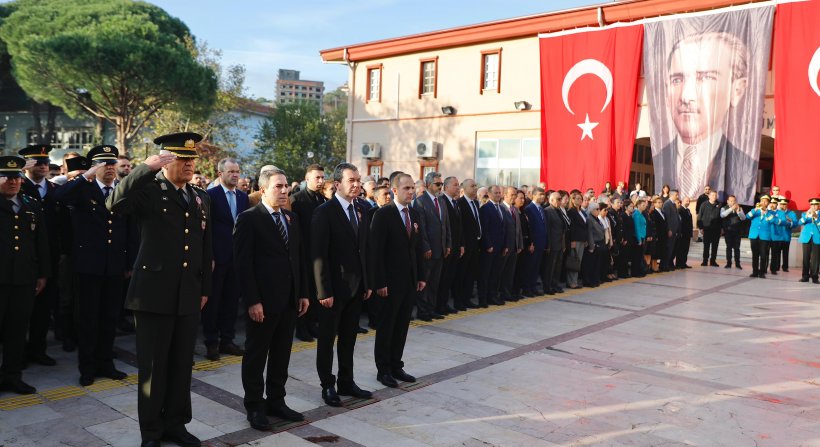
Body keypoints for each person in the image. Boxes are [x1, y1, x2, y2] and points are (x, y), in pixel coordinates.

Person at [108, 132, 213, 447]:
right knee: (153, 368)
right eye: (182, 158)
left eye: (192, 159)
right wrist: (144, 168)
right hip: (153, 294)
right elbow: (114, 202)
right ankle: (151, 432)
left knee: (182, 364)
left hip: (188, 294)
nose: (189, 164)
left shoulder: (199, 196)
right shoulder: (149, 192)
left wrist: (204, 287)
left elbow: (205, 249)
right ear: (166, 160)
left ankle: (176, 425)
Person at [234, 167, 309, 430]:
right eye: (278, 186)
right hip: (263, 303)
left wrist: (302, 294)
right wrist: (253, 301)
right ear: (263, 190)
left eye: (286, 186)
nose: (285, 190)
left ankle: (277, 400)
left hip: (288, 300)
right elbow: (243, 265)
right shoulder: (249, 219)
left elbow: (297, 259)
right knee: (256, 355)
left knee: (281, 354)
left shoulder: (291, 218)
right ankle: (254, 406)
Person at [53, 145, 133, 387]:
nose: (109, 168)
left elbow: (130, 230)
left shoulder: (121, 190)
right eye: (103, 164)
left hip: (114, 266)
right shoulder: (82, 189)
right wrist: (85, 176)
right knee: (88, 319)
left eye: (112, 163)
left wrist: (129, 263)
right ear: (93, 167)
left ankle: (106, 363)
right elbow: (57, 198)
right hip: (88, 266)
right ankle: (87, 367)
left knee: (110, 317)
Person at [654, 32, 755, 201]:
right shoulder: (657, 160)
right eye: (677, 80)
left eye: (705, 77)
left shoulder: (744, 166)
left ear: (737, 90)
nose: (686, 97)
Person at [311, 163, 373, 407]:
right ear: (337, 184)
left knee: (349, 338)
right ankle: (328, 385)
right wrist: (323, 290)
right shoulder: (324, 212)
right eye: (351, 180)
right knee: (327, 340)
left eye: (358, 180)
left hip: (356, 288)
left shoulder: (362, 208)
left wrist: (367, 282)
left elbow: (364, 250)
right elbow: (318, 255)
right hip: (333, 290)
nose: (357, 184)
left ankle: (347, 380)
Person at [370, 173, 427, 388]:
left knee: (402, 324)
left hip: (409, 280)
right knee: (387, 325)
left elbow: (417, 248)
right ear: (394, 190)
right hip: (390, 282)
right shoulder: (383, 214)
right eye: (406, 188)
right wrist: (380, 282)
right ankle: (383, 369)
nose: (411, 192)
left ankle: (396, 365)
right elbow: (376, 252)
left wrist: (421, 275)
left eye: (413, 188)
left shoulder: (414, 213)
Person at [0, 155, 50, 395]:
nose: (13, 182)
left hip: (24, 278)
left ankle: (12, 375)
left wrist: (42, 274)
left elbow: (41, 242)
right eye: (6, 177)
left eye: (16, 177)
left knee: (17, 330)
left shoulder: (30, 204)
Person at [18, 144, 61, 368]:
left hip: (50, 257)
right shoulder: (16, 186)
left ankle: (38, 349)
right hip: (22, 258)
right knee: (20, 311)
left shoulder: (54, 190)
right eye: (38, 162)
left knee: (44, 309)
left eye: (46, 162)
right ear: (27, 164)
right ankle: (19, 352)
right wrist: (17, 171)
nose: (44, 166)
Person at [203, 158, 248, 360]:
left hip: (236, 259)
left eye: (237, 171)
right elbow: (206, 230)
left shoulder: (243, 197)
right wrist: (209, 255)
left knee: (231, 301)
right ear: (220, 173)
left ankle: (227, 340)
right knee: (213, 302)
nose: (235, 175)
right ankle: (211, 342)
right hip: (217, 258)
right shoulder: (209, 196)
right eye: (231, 171)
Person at [290, 164, 327, 341]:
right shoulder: (296, 200)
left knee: (315, 290)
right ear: (307, 179)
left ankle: (312, 324)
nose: (320, 181)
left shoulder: (323, 200)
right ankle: (301, 327)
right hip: (303, 253)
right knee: (303, 291)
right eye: (317, 177)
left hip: (318, 254)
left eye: (322, 177)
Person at [412, 172, 451, 320]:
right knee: (425, 282)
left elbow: (446, 225)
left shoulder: (441, 201)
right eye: (438, 184)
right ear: (428, 185)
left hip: (440, 249)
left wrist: (448, 244)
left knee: (435, 282)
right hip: (428, 250)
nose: (440, 186)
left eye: (441, 184)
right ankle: (423, 311)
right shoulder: (420, 201)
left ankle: (431, 308)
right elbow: (421, 227)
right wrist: (426, 247)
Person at [478, 185, 507, 307]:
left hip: (499, 247)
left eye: (499, 193)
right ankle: (483, 299)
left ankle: (492, 296)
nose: (498, 195)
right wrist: (488, 245)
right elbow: (484, 228)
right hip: (489, 248)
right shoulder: (486, 208)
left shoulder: (501, 208)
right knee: (485, 274)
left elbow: (503, 228)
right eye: (495, 193)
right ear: (489, 195)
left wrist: (505, 245)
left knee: (495, 274)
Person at [455, 179, 482, 309]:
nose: (475, 188)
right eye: (472, 186)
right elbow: (460, 227)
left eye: (476, 186)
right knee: (462, 274)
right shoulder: (460, 203)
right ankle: (459, 300)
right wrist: (462, 244)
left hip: (475, 244)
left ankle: (467, 299)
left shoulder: (476, 203)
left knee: (471, 274)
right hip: (465, 245)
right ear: (464, 189)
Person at [439, 176, 463, 313]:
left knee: (450, 277)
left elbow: (459, 226)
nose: (458, 187)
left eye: (458, 184)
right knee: (443, 277)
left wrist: (461, 244)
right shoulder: (442, 202)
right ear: (446, 187)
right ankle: (440, 305)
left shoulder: (455, 202)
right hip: (446, 247)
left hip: (455, 246)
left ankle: (445, 303)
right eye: (455, 185)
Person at [499, 186, 523, 302]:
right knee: (502, 272)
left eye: (515, 195)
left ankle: (507, 293)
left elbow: (518, 230)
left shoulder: (514, 210)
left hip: (514, 247)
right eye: (512, 195)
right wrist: (504, 246)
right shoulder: (501, 208)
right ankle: (500, 293)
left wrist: (519, 245)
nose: (514, 197)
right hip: (505, 247)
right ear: (505, 195)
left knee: (510, 272)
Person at [523, 187, 549, 293]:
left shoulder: (541, 208)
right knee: (530, 266)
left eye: (543, 194)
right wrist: (531, 243)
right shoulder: (529, 208)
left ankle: (532, 287)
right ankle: (527, 288)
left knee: (536, 267)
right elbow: (530, 228)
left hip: (541, 243)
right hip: (534, 243)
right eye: (540, 194)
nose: (542, 196)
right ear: (533, 195)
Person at [543, 192, 568, 294]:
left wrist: (563, 244)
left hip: (559, 244)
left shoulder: (559, 210)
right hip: (552, 244)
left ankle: (555, 285)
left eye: (560, 199)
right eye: (558, 199)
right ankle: (547, 287)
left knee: (558, 267)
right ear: (551, 200)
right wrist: (548, 245)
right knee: (550, 267)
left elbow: (562, 228)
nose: (560, 201)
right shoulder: (548, 211)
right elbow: (547, 230)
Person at [746, 195, 775, 278]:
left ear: (768, 203)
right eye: (762, 201)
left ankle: (762, 272)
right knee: (755, 255)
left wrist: (766, 212)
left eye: (766, 201)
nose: (763, 203)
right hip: (754, 236)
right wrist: (755, 209)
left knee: (763, 255)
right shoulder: (755, 211)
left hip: (765, 237)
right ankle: (754, 271)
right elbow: (747, 216)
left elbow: (773, 221)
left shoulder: (771, 213)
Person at [565, 192, 587, 289]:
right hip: (575, 240)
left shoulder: (581, 211)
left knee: (579, 261)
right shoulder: (571, 211)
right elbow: (571, 227)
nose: (579, 200)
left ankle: (575, 280)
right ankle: (571, 282)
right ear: (572, 200)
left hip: (582, 239)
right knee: (573, 260)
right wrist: (572, 240)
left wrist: (585, 239)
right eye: (577, 198)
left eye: (580, 199)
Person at [771, 198, 797, 274]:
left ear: (787, 205)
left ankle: (785, 267)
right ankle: (776, 266)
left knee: (785, 252)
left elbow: (795, 223)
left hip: (786, 236)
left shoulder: (791, 213)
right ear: (779, 204)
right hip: (777, 236)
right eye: (781, 204)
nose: (783, 206)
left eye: (784, 204)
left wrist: (790, 221)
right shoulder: (776, 212)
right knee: (776, 252)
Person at [720, 195, 746, 269]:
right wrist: (731, 208)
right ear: (728, 201)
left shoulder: (739, 208)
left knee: (737, 248)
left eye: (734, 200)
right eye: (731, 201)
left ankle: (737, 264)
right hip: (728, 231)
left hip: (737, 231)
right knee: (729, 247)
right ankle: (729, 263)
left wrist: (738, 212)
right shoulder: (723, 208)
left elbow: (743, 218)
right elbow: (722, 215)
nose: (733, 202)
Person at [798, 198, 820, 283]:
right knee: (805, 257)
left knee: (815, 258)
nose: (813, 207)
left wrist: (816, 218)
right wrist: (807, 215)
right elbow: (800, 222)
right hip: (806, 238)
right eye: (812, 205)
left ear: (819, 205)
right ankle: (805, 276)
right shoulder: (805, 213)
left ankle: (815, 277)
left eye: (815, 205)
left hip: (817, 238)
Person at [697, 191, 722, 267]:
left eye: (715, 195)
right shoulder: (704, 204)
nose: (714, 196)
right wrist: (700, 227)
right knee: (706, 245)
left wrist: (721, 228)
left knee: (715, 246)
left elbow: (721, 218)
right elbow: (699, 216)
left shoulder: (719, 205)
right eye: (712, 195)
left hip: (716, 229)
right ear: (709, 196)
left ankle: (713, 261)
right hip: (706, 229)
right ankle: (705, 261)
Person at [661, 190, 681, 270]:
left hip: (674, 230)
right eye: (676, 195)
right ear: (672, 195)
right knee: (668, 248)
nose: (677, 197)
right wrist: (669, 229)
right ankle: (664, 265)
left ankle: (669, 264)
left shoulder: (673, 204)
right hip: (670, 230)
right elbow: (667, 218)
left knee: (672, 248)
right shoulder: (667, 204)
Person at [676, 197, 694, 269]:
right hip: (682, 232)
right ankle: (679, 264)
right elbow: (680, 222)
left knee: (686, 248)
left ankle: (684, 263)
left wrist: (691, 232)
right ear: (682, 201)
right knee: (681, 248)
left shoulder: (688, 210)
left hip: (687, 233)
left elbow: (690, 222)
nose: (688, 202)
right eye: (686, 201)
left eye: (689, 201)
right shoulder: (680, 210)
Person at [632, 199, 648, 277]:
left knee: (640, 256)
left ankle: (639, 271)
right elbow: (637, 228)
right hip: (638, 238)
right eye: (643, 205)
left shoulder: (641, 214)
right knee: (636, 256)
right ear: (638, 205)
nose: (644, 206)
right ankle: (635, 272)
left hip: (642, 236)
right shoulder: (636, 214)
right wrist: (639, 239)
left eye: (645, 205)